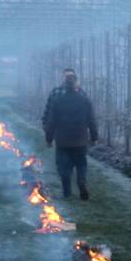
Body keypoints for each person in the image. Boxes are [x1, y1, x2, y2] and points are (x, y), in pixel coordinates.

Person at [42, 69, 98, 200]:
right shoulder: (85, 100)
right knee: (81, 164)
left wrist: (49, 139)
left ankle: (67, 192)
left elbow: (52, 122)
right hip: (80, 139)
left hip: (63, 140)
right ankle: (82, 181)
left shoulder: (57, 100)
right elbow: (92, 120)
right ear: (76, 83)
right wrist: (94, 137)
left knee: (64, 167)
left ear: (65, 84)